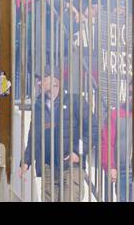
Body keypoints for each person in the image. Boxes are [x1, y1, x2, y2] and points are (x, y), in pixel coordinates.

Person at [21, 64, 88, 201]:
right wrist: (26, 161)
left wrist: (78, 152)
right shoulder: (38, 105)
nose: (38, 82)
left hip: (71, 167)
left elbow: (93, 129)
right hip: (48, 168)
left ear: (55, 81)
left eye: (42, 79)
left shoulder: (74, 102)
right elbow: (33, 135)